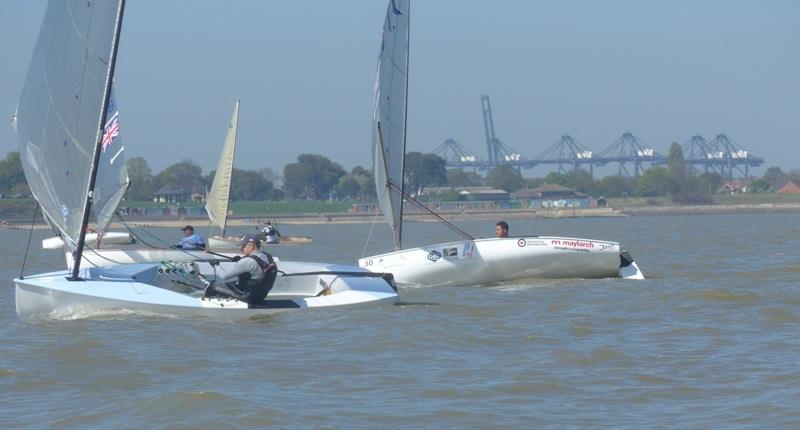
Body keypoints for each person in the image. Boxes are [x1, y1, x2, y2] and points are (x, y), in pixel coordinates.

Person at [203, 235, 278, 305]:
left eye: (243, 246)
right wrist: (240, 260)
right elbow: (257, 268)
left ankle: (207, 303)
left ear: (251, 247)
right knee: (233, 283)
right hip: (261, 296)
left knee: (213, 285)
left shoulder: (247, 261)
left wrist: (215, 265)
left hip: (248, 298)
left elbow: (224, 276)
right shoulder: (267, 256)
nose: (241, 249)